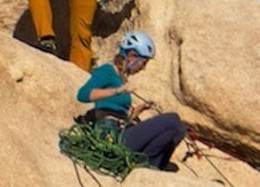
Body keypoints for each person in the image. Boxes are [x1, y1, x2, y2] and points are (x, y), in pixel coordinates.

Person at [75, 31, 187, 169]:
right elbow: (83, 95)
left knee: (179, 129)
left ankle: (150, 167)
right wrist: (116, 91)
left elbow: (120, 116)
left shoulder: (122, 79)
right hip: (112, 137)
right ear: (131, 56)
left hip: (122, 131)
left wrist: (139, 110)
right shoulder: (107, 71)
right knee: (173, 120)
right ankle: (148, 165)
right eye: (143, 62)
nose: (144, 68)